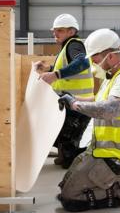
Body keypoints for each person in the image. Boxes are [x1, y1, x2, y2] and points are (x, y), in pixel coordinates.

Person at [56, 28, 120, 212]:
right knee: (63, 186)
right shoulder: (112, 76)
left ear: (111, 56)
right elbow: (98, 101)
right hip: (106, 149)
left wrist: (74, 104)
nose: (93, 64)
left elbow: (110, 109)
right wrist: (72, 98)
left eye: (95, 59)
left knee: (70, 199)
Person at [35, 14, 94, 169]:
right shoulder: (67, 47)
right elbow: (66, 69)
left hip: (77, 102)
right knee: (63, 137)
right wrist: (49, 69)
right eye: (54, 31)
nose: (55, 34)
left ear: (71, 31)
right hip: (71, 101)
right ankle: (66, 156)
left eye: (60, 30)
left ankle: (85, 157)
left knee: (67, 139)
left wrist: (55, 75)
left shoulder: (74, 45)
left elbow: (82, 63)